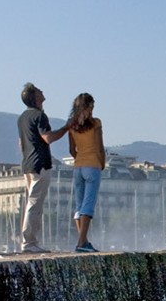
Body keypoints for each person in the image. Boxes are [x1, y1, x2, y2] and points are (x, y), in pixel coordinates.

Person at [17, 82, 71, 253]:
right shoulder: (40, 116)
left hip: (27, 164)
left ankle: (31, 241)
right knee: (35, 204)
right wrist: (66, 128)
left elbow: (21, 144)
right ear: (35, 97)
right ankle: (29, 243)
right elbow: (47, 138)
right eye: (39, 91)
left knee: (31, 203)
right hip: (40, 164)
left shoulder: (22, 118)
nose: (42, 91)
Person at [67, 92, 106, 252]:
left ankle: (83, 241)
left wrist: (80, 158)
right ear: (89, 107)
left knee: (79, 204)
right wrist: (101, 163)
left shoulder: (71, 125)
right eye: (92, 107)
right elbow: (99, 147)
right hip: (92, 166)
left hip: (78, 167)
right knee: (88, 205)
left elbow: (71, 150)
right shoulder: (95, 123)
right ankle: (81, 243)